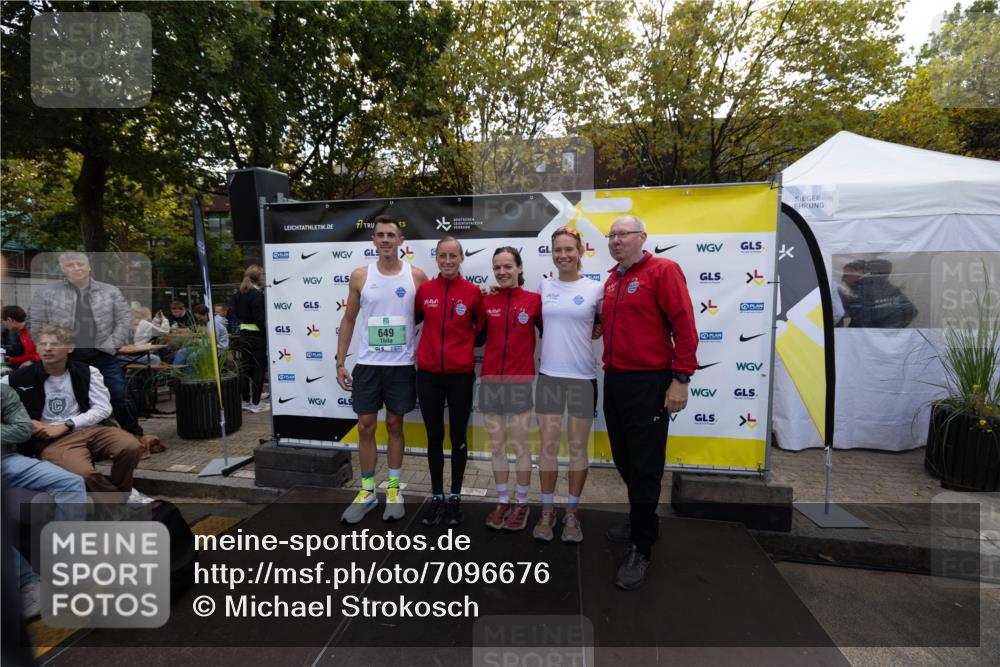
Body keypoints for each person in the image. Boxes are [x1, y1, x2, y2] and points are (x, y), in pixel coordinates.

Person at [601, 214, 698, 590]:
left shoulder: (663, 270)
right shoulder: (612, 279)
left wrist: (680, 379)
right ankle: (642, 517)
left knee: (645, 466)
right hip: (616, 380)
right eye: (611, 236)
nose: (615, 241)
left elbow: (685, 327)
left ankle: (642, 545)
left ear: (643, 237)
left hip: (650, 382)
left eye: (622, 234)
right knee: (624, 458)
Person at [336, 215, 428, 524]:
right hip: (368, 365)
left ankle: (392, 489)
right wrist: (340, 362)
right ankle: (366, 492)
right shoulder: (361, 276)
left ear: (402, 241)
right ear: (373, 241)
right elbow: (348, 319)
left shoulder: (416, 276)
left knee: (394, 425)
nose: (386, 239)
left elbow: (434, 311)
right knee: (365, 425)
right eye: (380, 235)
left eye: (391, 234)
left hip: (401, 366)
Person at [27, 251, 160, 452]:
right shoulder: (47, 292)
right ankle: (79, 441)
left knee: (119, 394)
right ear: (63, 269)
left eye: (80, 263)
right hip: (66, 356)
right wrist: (49, 346)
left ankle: (135, 436)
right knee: (71, 397)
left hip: (101, 353)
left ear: (89, 266)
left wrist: (113, 343)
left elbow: (124, 319)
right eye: (70, 265)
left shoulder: (109, 291)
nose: (76, 268)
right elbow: (34, 322)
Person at [3, 324, 144, 494]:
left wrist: (68, 424)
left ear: (70, 347)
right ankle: (120, 500)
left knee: (131, 447)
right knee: (83, 474)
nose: (47, 349)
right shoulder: (16, 378)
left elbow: (103, 408)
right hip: (52, 440)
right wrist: (27, 423)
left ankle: (120, 496)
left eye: (55, 344)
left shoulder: (88, 372)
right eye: (42, 344)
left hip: (91, 429)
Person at [534, 226, 604, 543]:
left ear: (580, 252)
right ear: (552, 253)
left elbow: (602, 323)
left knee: (577, 449)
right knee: (547, 447)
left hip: (582, 378)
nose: (563, 255)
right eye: (558, 249)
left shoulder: (596, 288)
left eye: (569, 249)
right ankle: (547, 510)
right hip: (550, 375)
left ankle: (572, 512)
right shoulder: (544, 285)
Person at [410, 237, 483, 527]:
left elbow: (482, 332)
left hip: (460, 376)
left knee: (458, 439)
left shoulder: (473, 292)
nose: (448, 261)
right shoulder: (425, 290)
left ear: (461, 258)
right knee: (433, 438)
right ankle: (437, 496)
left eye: (453, 256)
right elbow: (414, 320)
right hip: (428, 375)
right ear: (436, 259)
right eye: (443, 256)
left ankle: (455, 498)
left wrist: (461, 350)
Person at [2, 383, 87, 619]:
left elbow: (21, 430)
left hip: (6, 459)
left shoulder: (3, 392)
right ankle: (27, 584)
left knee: (72, 483)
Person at [479, 247, 542, 532]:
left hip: (519, 383)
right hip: (491, 382)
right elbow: (477, 337)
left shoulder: (534, 301)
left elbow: (553, 333)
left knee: (520, 446)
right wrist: (481, 297)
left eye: (507, 266)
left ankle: (521, 502)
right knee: (496, 446)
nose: (502, 272)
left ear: (519, 267)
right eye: (497, 267)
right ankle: (502, 500)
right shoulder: (486, 301)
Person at [230, 266, 269, 413]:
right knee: (258, 369)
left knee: (246, 369)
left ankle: (245, 401)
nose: (264, 278)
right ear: (258, 277)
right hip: (257, 337)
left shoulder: (238, 294)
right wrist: (266, 334)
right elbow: (260, 319)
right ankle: (256, 403)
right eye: (262, 276)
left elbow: (234, 313)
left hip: (244, 335)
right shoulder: (257, 295)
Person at [843, 259, 918, 329]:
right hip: (887, 338)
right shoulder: (893, 290)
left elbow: (861, 321)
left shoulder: (860, 291)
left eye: (846, 275)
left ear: (862, 272)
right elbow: (911, 312)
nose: (843, 279)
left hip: (867, 338)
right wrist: (892, 330)